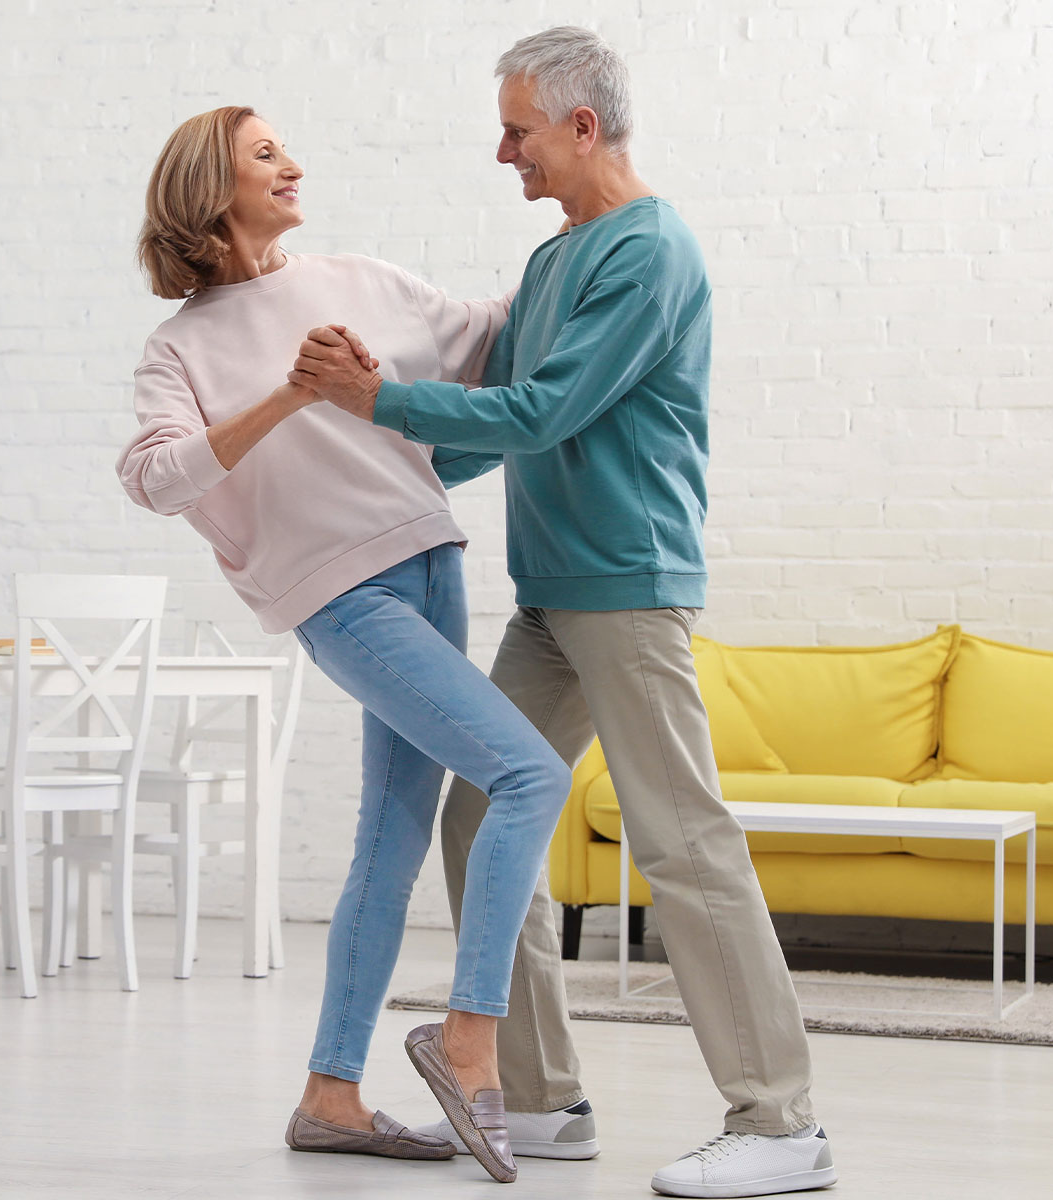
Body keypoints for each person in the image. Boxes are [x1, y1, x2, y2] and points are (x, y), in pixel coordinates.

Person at [288, 27, 838, 1199]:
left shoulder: (651, 252)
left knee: (684, 844)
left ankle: (781, 1121)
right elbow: (495, 424)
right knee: (482, 817)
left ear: (581, 128)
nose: (505, 152)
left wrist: (380, 396)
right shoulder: (553, 261)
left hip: (630, 589)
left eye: (519, 130)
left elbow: (543, 410)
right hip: (553, 598)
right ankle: (542, 1102)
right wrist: (373, 458)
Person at [116, 104, 575, 1184]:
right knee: (525, 774)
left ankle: (331, 1094)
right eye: (266, 152)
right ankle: (470, 1043)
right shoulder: (180, 345)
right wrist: (291, 392)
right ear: (208, 187)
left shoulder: (358, 277)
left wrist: (588, 240)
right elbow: (152, 477)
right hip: (342, 596)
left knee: (393, 832)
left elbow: (486, 331)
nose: (294, 164)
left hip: (432, 564)